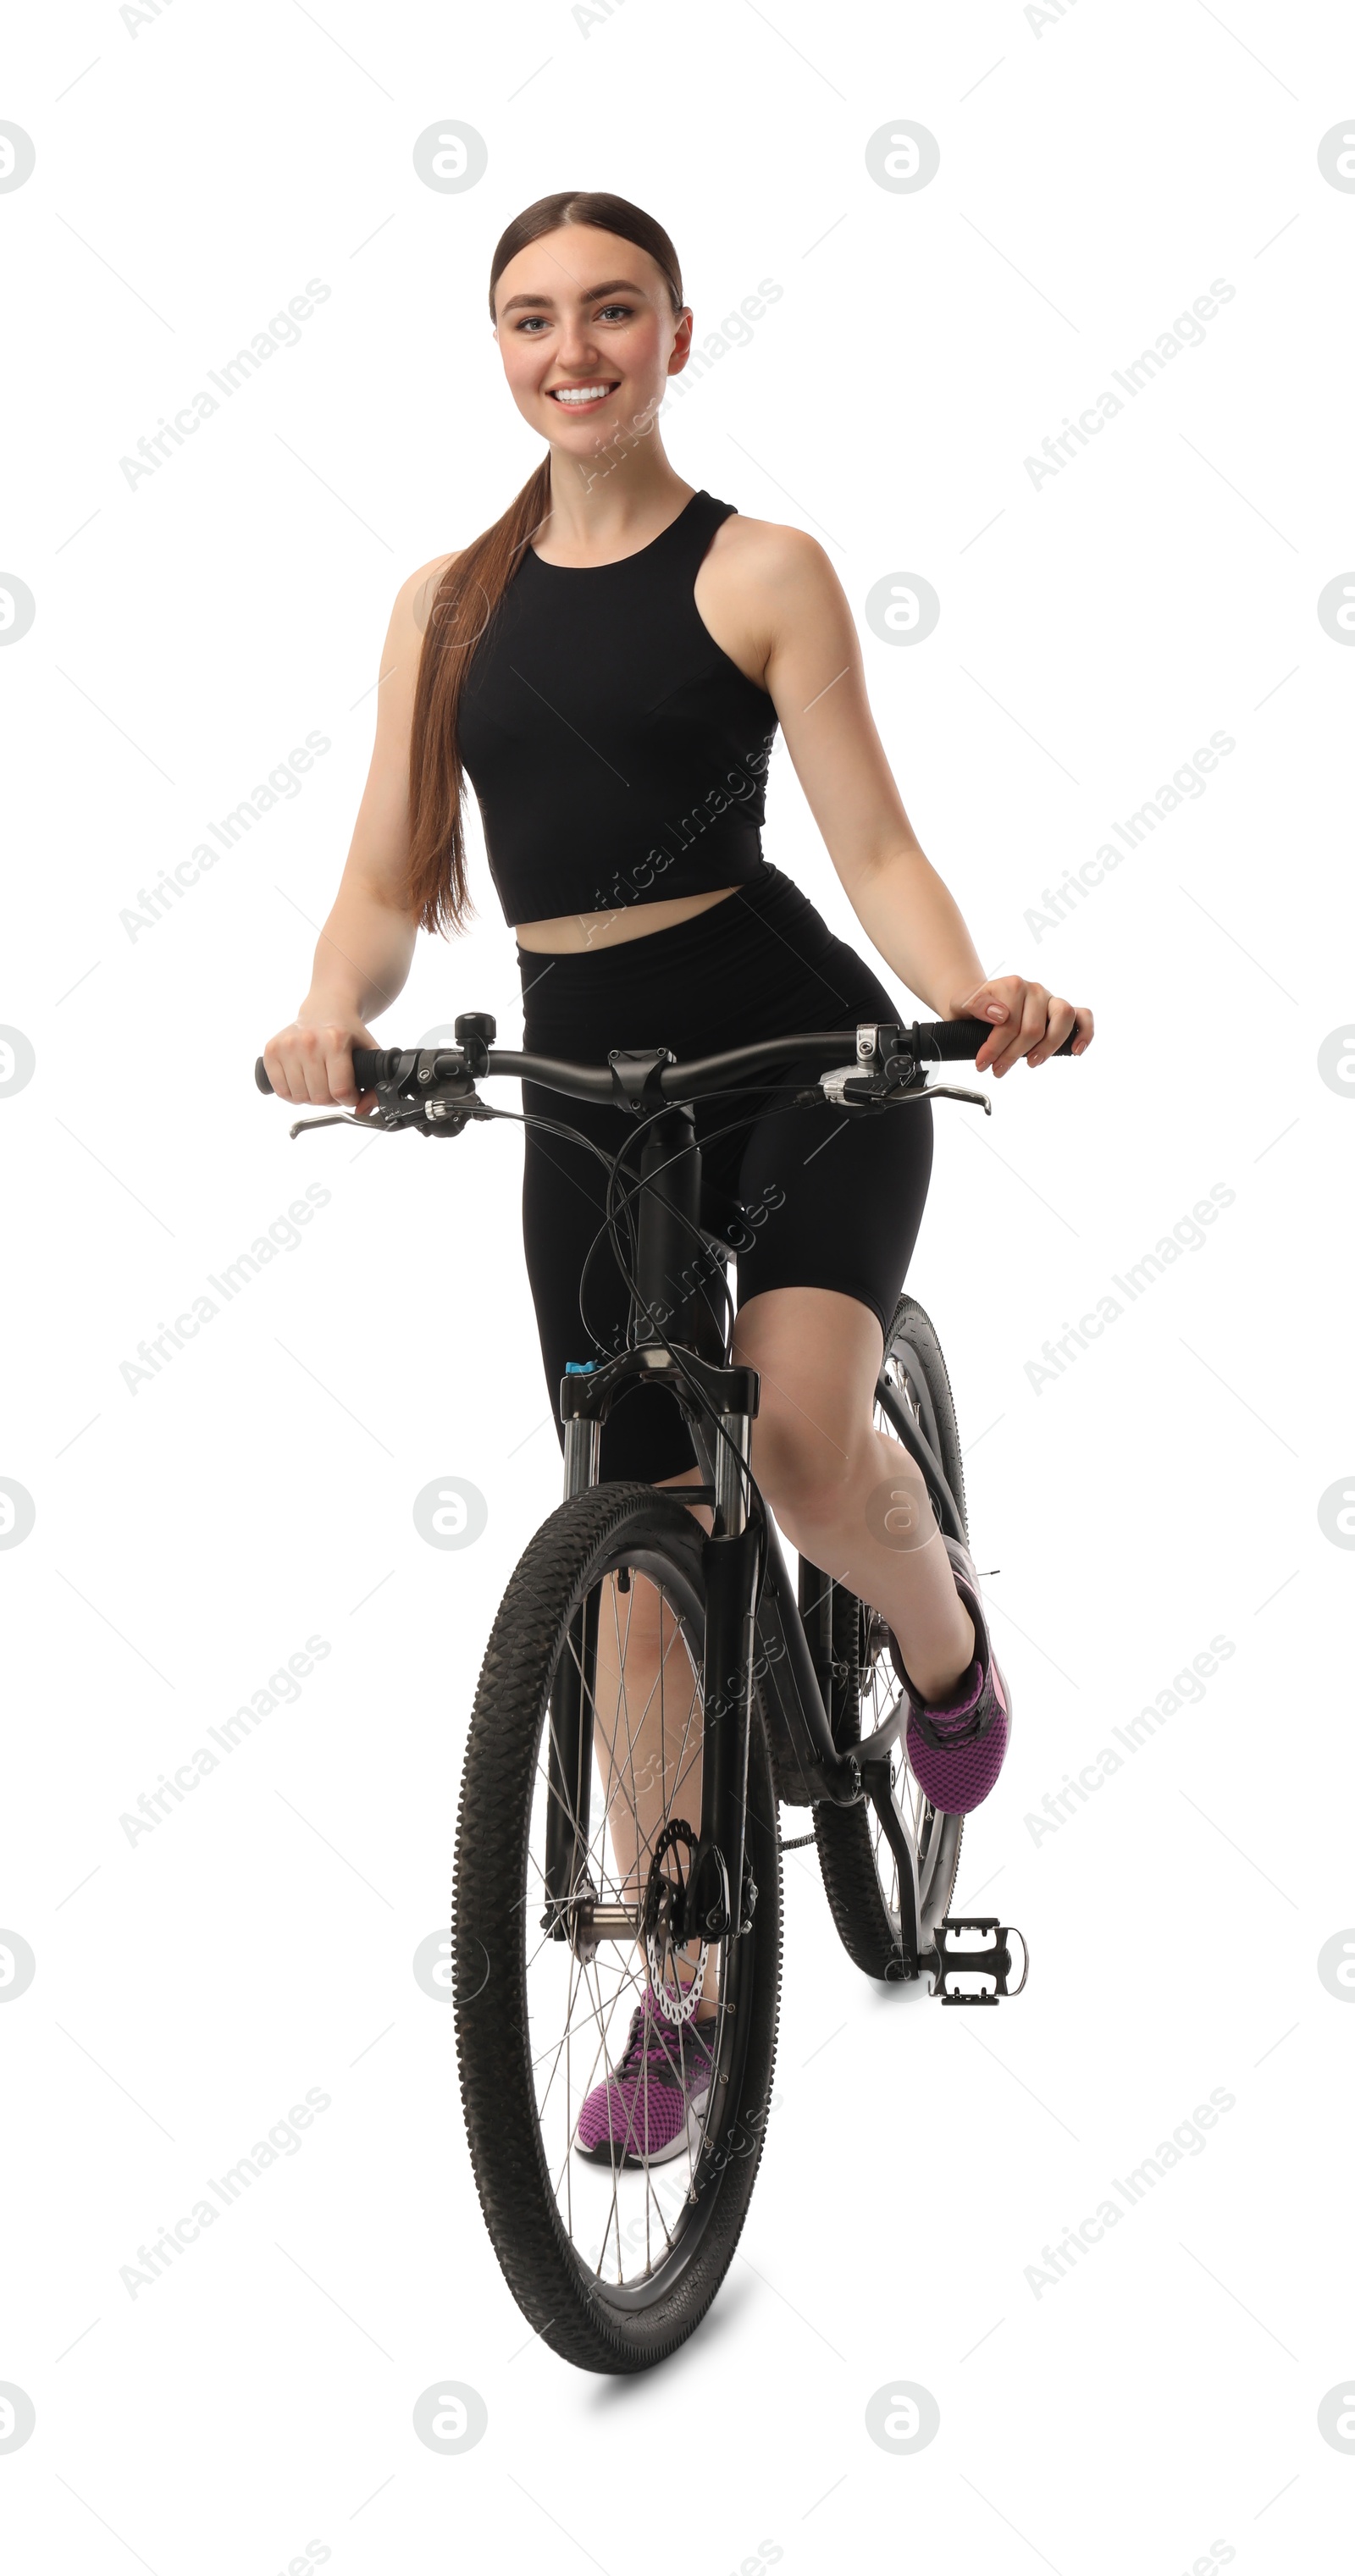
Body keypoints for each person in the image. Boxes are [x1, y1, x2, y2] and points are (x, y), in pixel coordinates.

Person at [263, 190, 1092, 2164]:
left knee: (799, 1453)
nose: (575, 349)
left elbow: (874, 846)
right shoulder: (448, 610)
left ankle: (943, 1645)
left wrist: (962, 990)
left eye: (613, 312)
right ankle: (676, 1980)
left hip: (794, 1060)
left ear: (675, 337)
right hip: (583, 1097)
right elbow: (388, 886)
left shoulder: (762, 570)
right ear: (498, 350)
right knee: (630, 1544)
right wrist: (325, 1012)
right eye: (534, 318)